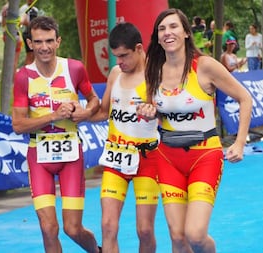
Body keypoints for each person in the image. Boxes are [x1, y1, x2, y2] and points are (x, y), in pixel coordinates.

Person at [140, 8, 252, 253]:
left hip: (204, 156)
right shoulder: (153, 69)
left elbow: (245, 98)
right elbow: (155, 109)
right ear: (157, 37)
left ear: (187, 33)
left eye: (173, 27)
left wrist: (240, 142)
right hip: (168, 158)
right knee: (178, 238)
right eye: (162, 29)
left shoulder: (205, 66)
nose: (167, 32)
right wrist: (149, 112)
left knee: (195, 235)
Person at [11, 16, 101, 253]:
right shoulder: (24, 76)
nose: (44, 47)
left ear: (58, 41)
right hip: (39, 156)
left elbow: (94, 100)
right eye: (38, 42)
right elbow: (18, 125)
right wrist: (53, 116)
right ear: (30, 44)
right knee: (48, 228)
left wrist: (85, 112)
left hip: (71, 156)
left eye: (49, 41)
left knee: (72, 229)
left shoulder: (74, 68)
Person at [89, 22, 160, 253]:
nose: (119, 62)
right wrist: (79, 115)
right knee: (108, 226)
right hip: (115, 158)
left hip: (147, 159)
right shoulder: (115, 73)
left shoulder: (155, 74)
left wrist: (155, 111)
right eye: (116, 57)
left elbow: (168, 112)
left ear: (139, 48)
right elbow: (102, 111)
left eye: (124, 56)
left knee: (145, 230)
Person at [1, 1, 22, 71]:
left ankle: (7, 78)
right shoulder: (16, 8)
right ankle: (11, 80)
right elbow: (19, 24)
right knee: (14, 61)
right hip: (15, 35)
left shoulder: (4, 8)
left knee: (8, 60)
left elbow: (3, 24)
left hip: (6, 34)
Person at [19, 0, 40, 65]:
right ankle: (26, 72)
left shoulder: (35, 9)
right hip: (27, 33)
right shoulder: (24, 8)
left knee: (34, 54)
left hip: (34, 34)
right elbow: (22, 21)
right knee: (30, 54)